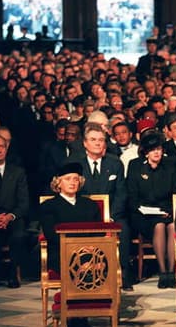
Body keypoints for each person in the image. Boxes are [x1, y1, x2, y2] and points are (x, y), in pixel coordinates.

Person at [67, 122, 133, 290]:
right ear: (85, 143)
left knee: (123, 228)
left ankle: (123, 274)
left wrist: (110, 215)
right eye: (93, 139)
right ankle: (82, 273)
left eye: (101, 140)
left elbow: (121, 193)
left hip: (112, 214)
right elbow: (72, 193)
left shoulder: (115, 163)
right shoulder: (74, 164)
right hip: (83, 216)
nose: (97, 143)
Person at [127, 131, 176, 288]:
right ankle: (162, 272)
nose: (156, 152)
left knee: (172, 225)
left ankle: (171, 272)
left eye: (159, 149)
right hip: (143, 214)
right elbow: (132, 195)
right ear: (145, 152)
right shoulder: (135, 166)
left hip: (166, 210)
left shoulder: (169, 164)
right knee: (159, 225)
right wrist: (145, 209)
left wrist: (169, 210)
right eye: (152, 149)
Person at [0, 134, 29, 289]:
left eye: (1, 146)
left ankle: (12, 275)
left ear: (6, 148)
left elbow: (24, 203)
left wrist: (9, 217)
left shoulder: (18, 172)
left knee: (18, 235)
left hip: (12, 217)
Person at [39, 162, 101, 271]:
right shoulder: (48, 205)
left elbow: (99, 231)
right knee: (84, 267)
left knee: (101, 261)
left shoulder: (90, 204)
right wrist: (76, 248)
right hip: (62, 251)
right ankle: (86, 272)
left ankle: (87, 271)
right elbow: (51, 235)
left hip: (89, 250)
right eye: (68, 179)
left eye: (76, 179)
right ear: (58, 183)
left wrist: (89, 247)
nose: (72, 183)